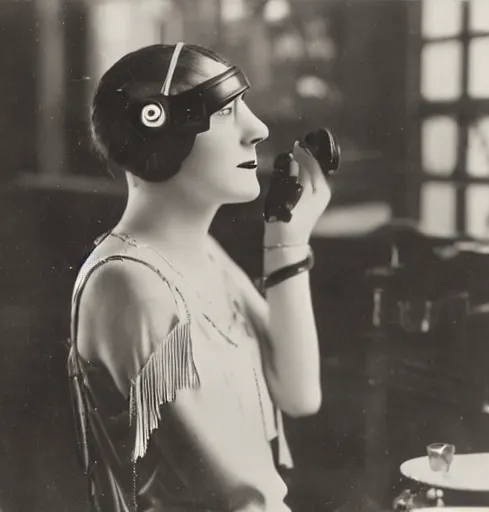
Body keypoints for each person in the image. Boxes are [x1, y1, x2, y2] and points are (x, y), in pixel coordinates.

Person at [67, 42, 331, 512]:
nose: (258, 128)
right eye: (228, 110)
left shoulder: (199, 253)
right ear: (159, 128)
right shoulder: (132, 285)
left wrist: (285, 241)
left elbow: (298, 393)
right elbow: (246, 500)